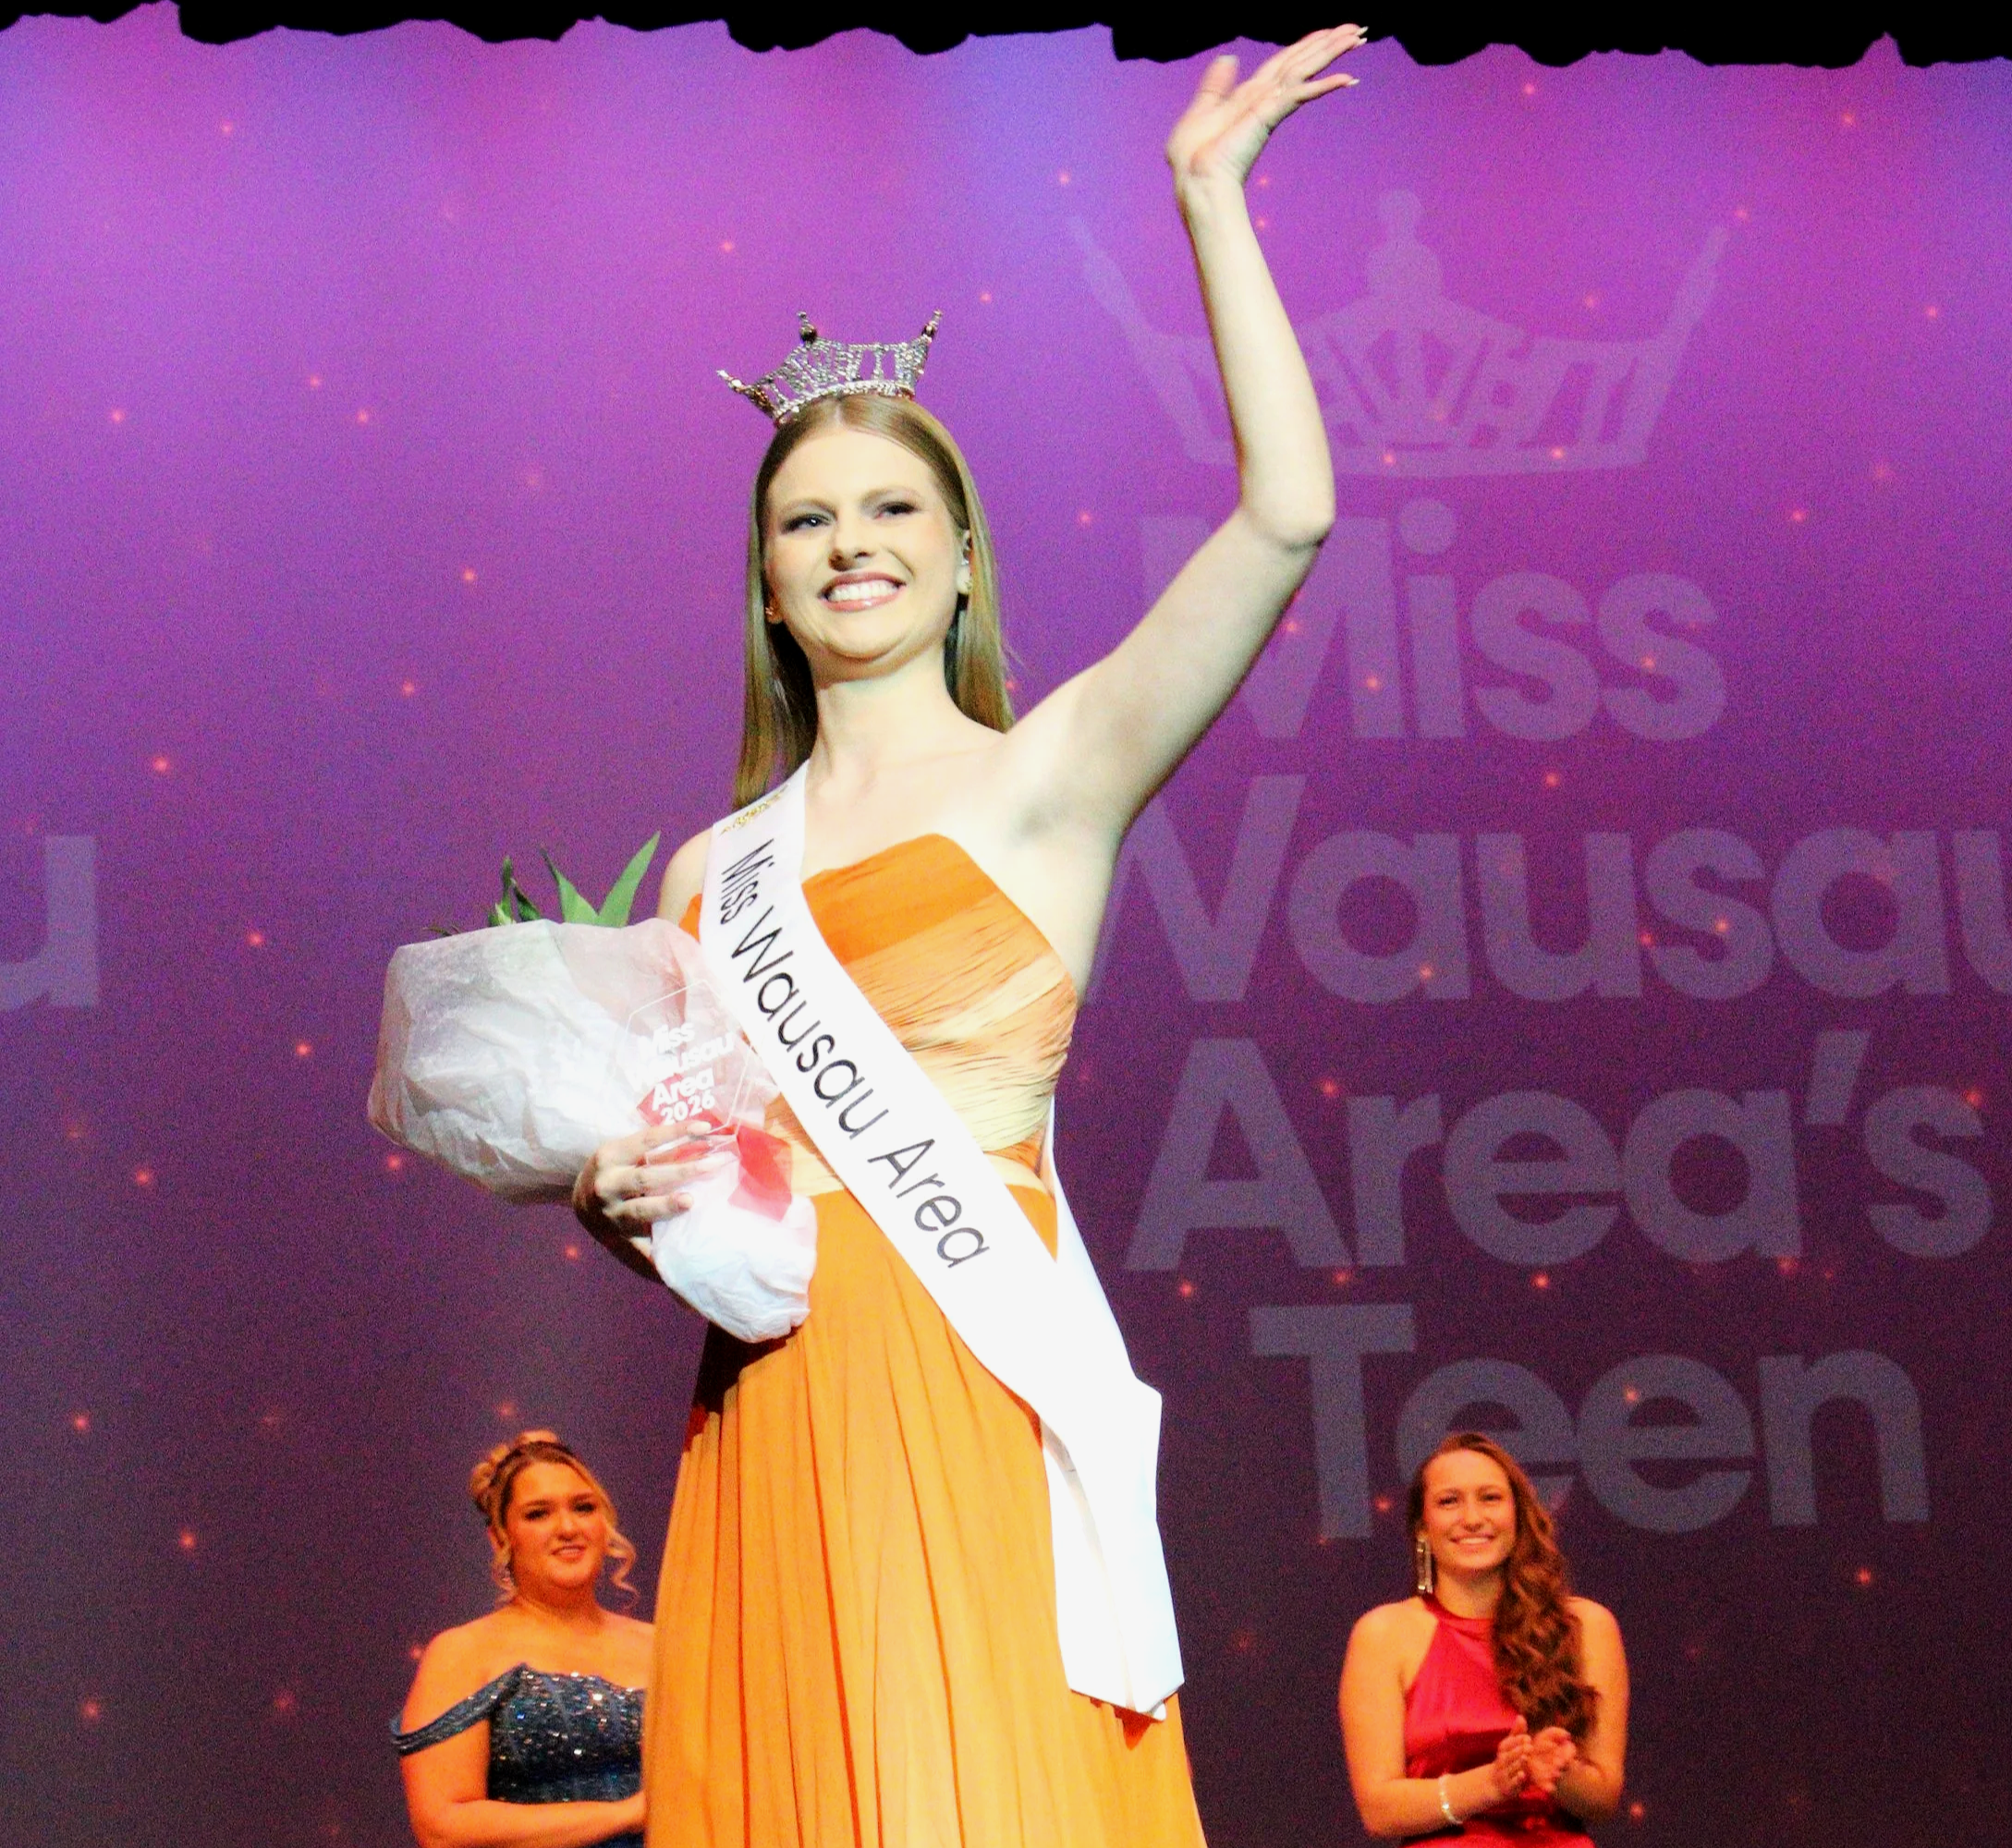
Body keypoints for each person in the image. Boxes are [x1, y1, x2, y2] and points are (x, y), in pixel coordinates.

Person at [566, 24, 1365, 1847]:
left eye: (890, 508)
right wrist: (624, 1211)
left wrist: (1205, 204)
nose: (851, 542)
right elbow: (714, 1203)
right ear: (765, 578)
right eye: (807, 517)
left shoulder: (1050, 777)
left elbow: (1286, 515)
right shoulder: (708, 874)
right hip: (772, 1406)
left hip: (970, 1371)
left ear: (957, 550)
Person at [1337, 1435, 1629, 1842]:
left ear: (1518, 1514)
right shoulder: (1383, 1635)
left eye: (1490, 1498)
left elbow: (1603, 1798)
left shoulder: (1586, 1626)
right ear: (1422, 1527)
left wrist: (1556, 1772)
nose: (1472, 1518)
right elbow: (1379, 1811)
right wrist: (1490, 1784)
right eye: (1449, 1501)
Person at [394, 1432, 653, 1848]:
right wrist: (628, 1813)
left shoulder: (661, 1646)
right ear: (500, 1538)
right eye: (538, 1514)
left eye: (583, 1508)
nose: (568, 1528)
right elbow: (443, 1827)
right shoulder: (463, 1653)